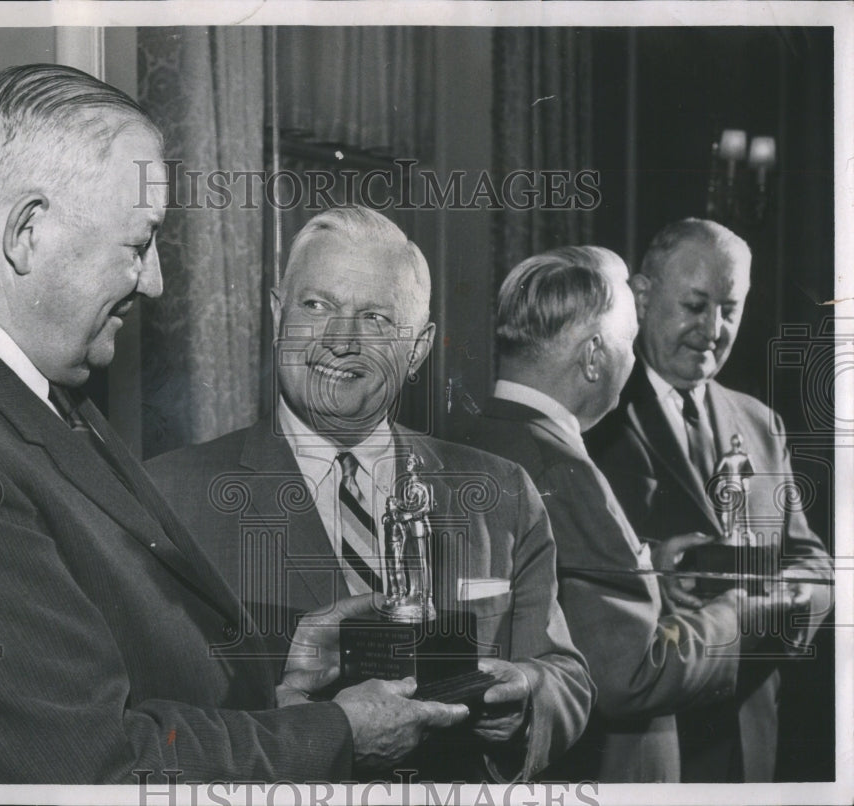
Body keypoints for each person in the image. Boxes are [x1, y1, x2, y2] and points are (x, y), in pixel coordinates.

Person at [0, 64, 470, 784]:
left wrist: (274, 685)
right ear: (27, 232)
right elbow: (98, 770)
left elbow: (108, 661)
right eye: (139, 243)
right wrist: (337, 732)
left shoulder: (17, 392)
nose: (154, 280)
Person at [147, 206, 594, 782]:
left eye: (377, 318)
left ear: (418, 349)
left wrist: (522, 701)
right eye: (316, 306)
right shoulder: (170, 499)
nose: (341, 339)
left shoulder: (501, 493)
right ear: (278, 316)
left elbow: (565, 674)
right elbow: (153, 727)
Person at [447, 245, 773, 782]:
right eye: (628, 342)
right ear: (594, 356)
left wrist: (652, 570)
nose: (634, 359)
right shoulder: (564, 473)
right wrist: (743, 613)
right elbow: (632, 674)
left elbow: (551, 602)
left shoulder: (462, 440)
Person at [585, 219, 833, 782]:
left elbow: (813, 561)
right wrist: (661, 565)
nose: (713, 329)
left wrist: (792, 602)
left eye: (730, 308)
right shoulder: (593, 418)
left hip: (751, 742)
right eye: (695, 305)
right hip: (647, 747)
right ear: (642, 298)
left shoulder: (761, 422)